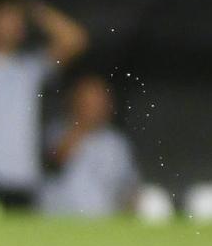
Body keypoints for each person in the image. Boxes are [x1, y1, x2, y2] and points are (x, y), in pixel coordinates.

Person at [0, 0, 90, 205]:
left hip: (21, 180)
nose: (10, 25)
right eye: (5, 19)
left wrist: (35, 9)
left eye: (16, 21)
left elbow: (75, 40)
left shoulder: (29, 69)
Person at [41, 75, 140, 217]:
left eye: (99, 100)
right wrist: (81, 126)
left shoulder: (116, 143)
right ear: (74, 100)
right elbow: (53, 162)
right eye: (88, 99)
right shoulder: (56, 131)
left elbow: (128, 187)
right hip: (58, 221)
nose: (94, 106)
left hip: (100, 224)